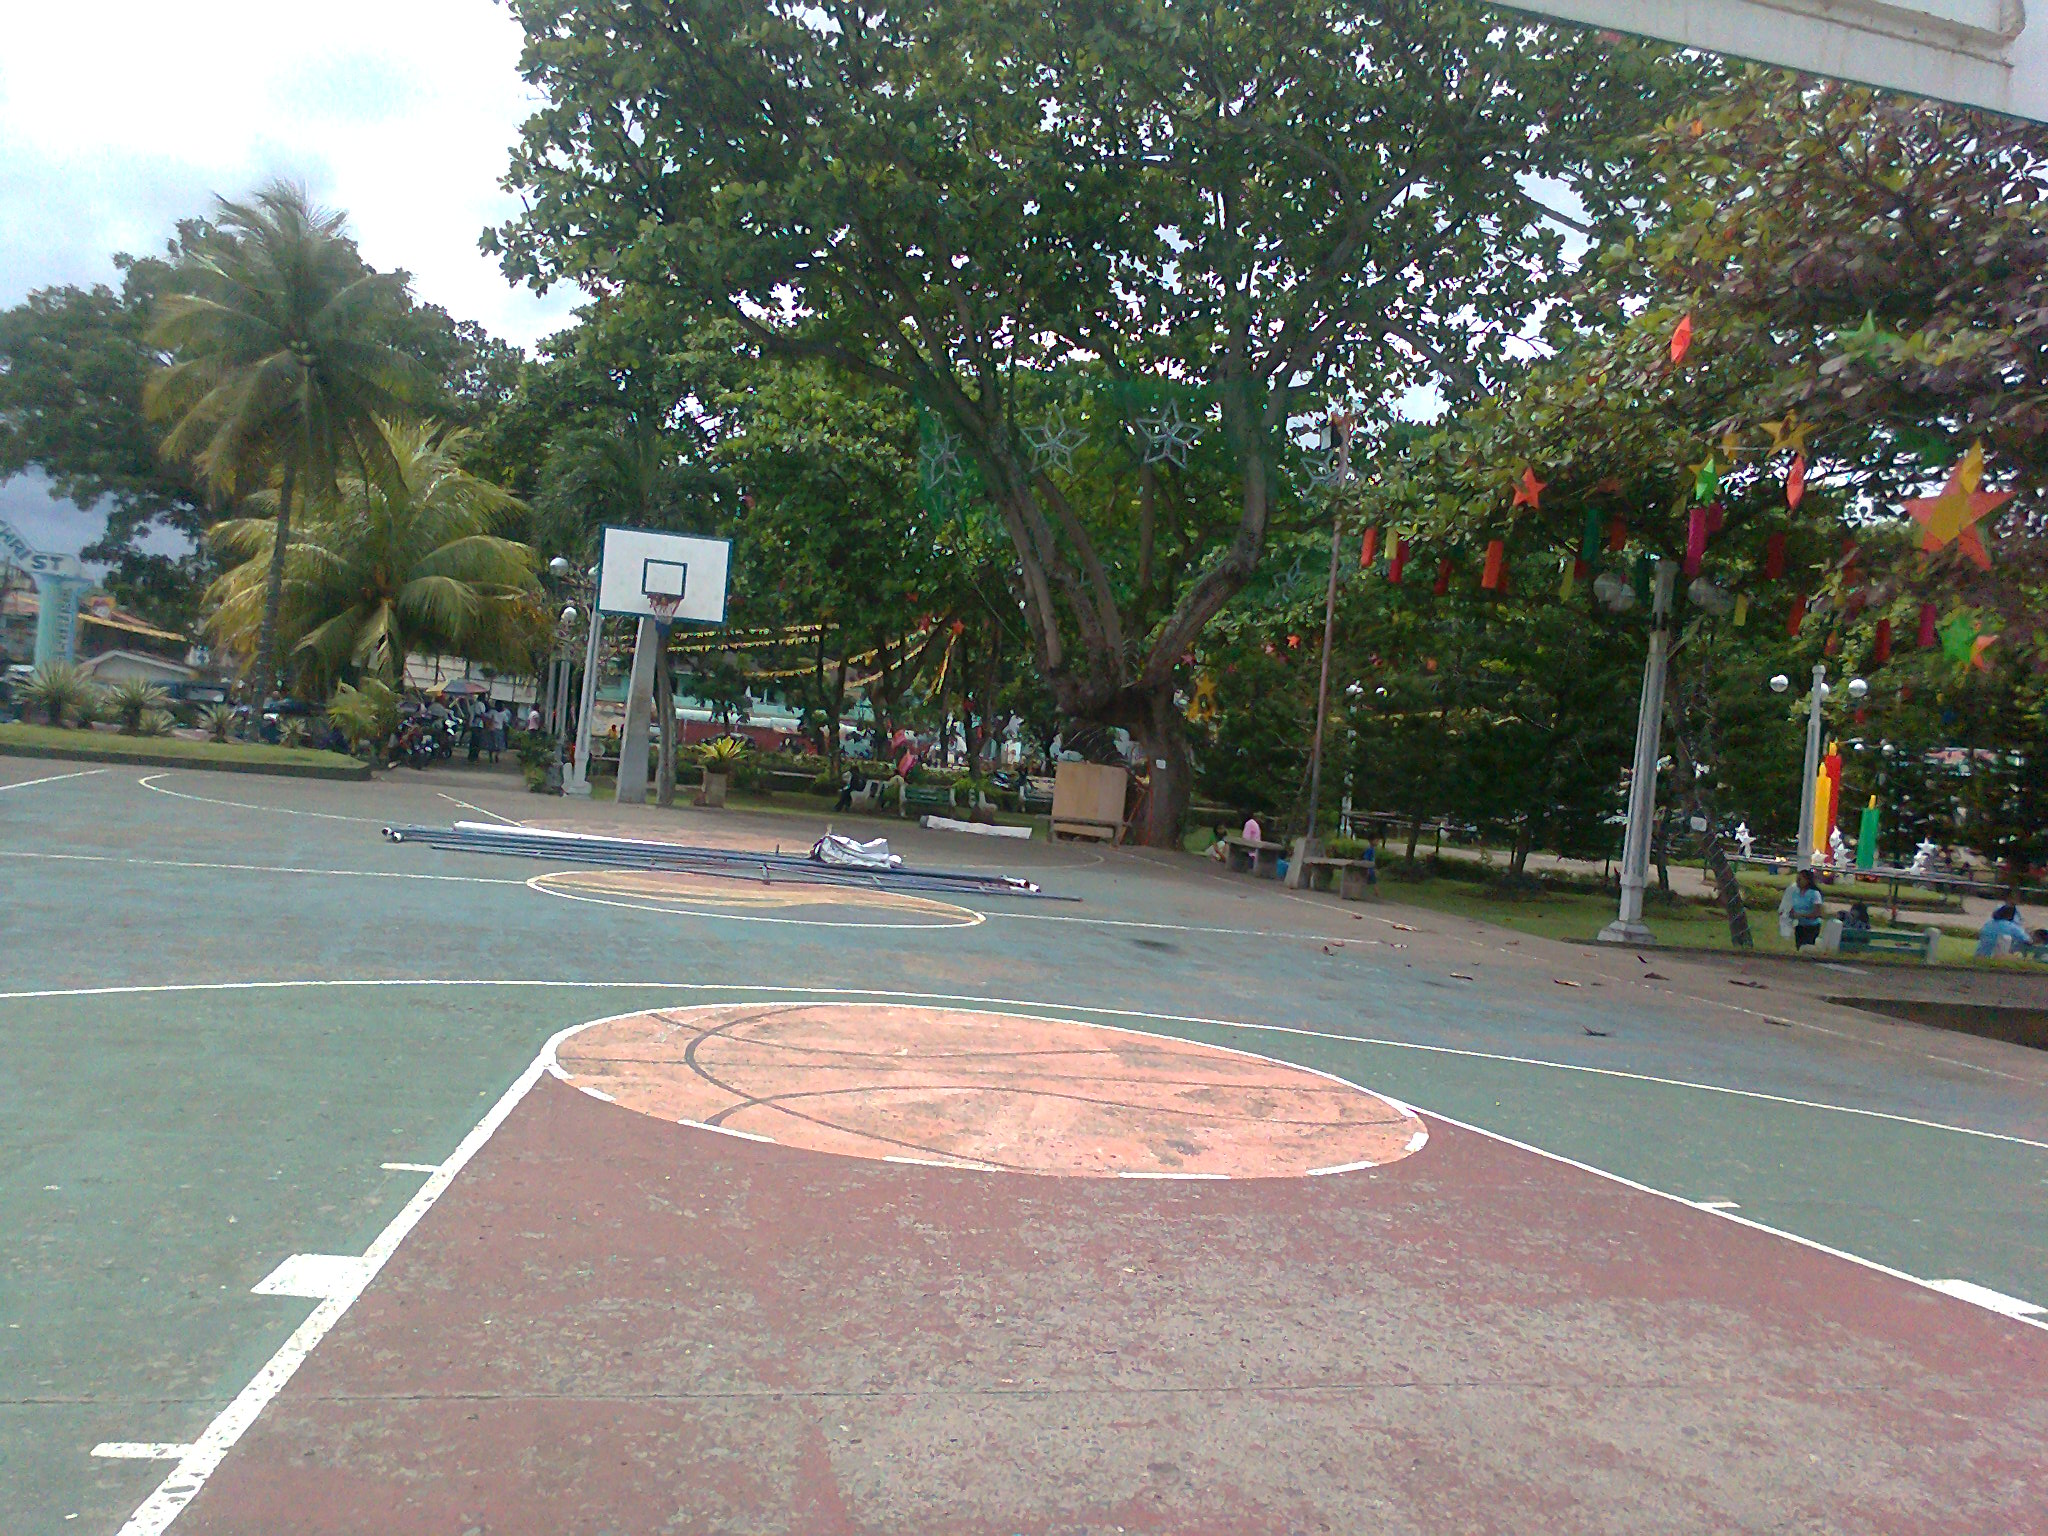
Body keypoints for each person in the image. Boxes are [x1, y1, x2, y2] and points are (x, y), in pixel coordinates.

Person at [1778, 869, 1826, 949]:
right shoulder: (1795, 893)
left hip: (1812, 927)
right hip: (1800, 925)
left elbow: (1817, 913)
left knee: (1808, 947)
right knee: (1799, 947)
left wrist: (1801, 915)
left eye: (1800, 879)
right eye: (1797, 879)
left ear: (1807, 880)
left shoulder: (1814, 894)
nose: (1797, 882)